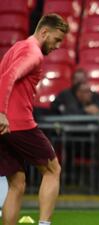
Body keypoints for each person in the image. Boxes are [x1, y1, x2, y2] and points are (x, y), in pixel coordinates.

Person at [0, 14, 69, 225]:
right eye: (56, 40)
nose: (57, 46)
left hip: (3, 127)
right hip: (18, 124)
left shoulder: (16, 47)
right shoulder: (33, 54)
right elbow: (8, 77)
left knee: (17, 182)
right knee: (52, 169)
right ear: (44, 32)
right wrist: (2, 113)